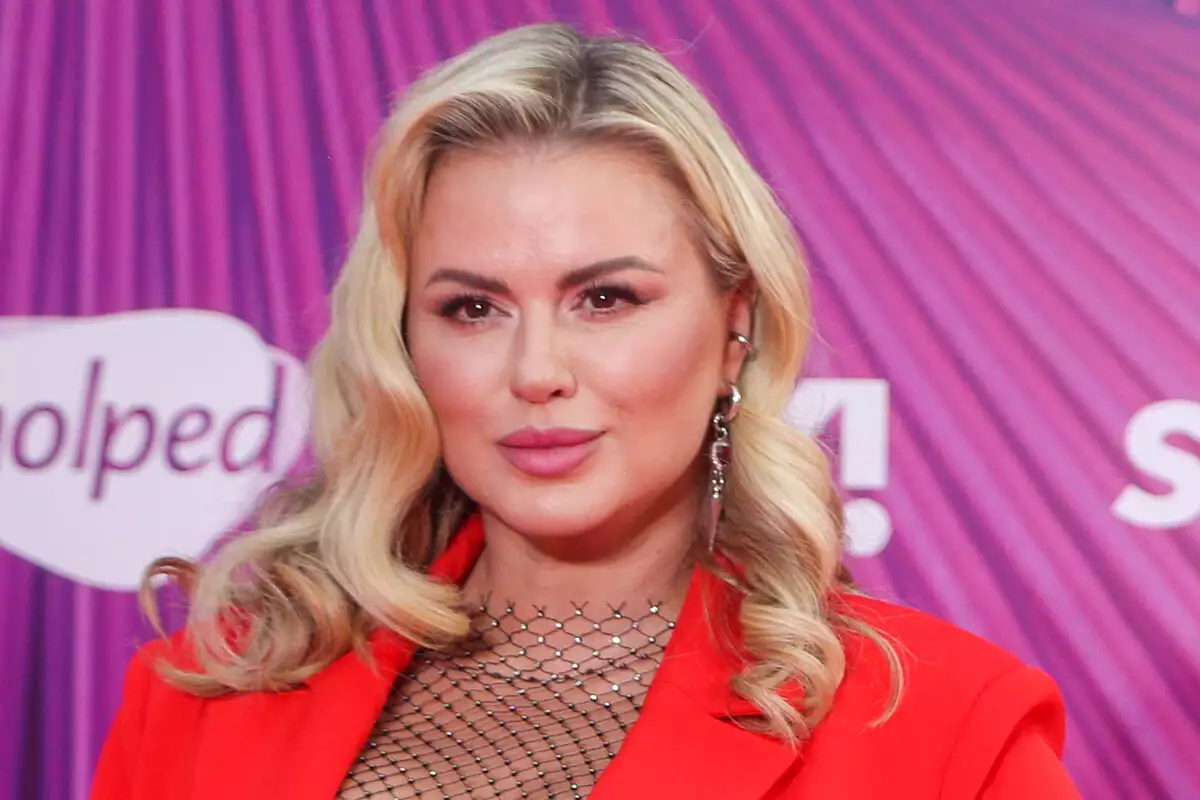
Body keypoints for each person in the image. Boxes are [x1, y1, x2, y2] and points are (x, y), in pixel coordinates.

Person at [91, 22, 1081, 800]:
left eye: (605, 298)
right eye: (471, 308)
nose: (536, 371)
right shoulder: (205, 693)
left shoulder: (945, 728)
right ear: (404, 345)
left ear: (734, 325)